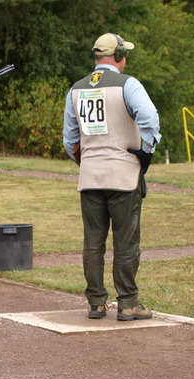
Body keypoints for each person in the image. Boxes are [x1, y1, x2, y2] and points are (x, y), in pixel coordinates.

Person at [63, 33, 161, 321]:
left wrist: (88, 161)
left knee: (93, 242)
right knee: (126, 241)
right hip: (123, 175)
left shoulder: (76, 89)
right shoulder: (128, 84)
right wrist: (147, 150)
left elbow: (70, 141)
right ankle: (128, 302)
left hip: (90, 176)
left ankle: (95, 302)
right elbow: (149, 119)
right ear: (118, 56)